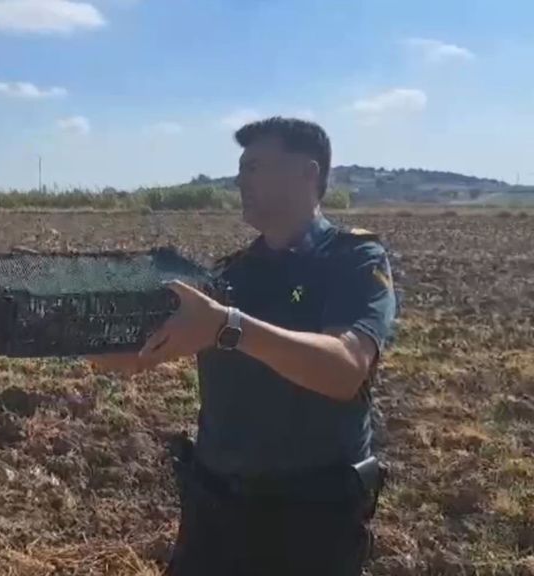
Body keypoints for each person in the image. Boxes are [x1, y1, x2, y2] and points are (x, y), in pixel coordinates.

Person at [88, 117, 397, 576]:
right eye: (240, 168)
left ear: (308, 174)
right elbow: (156, 346)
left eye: (254, 167)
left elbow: (345, 369)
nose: (239, 180)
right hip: (215, 511)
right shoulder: (230, 275)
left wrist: (229, 327)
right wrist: (108, 345)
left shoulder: (352, 260)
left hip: (310, 520)